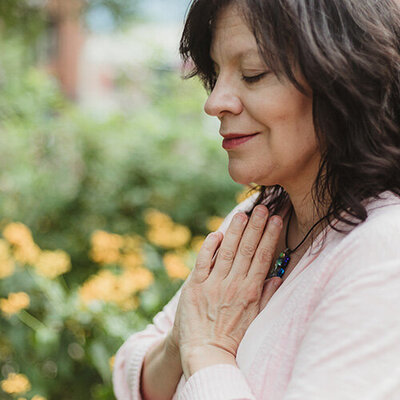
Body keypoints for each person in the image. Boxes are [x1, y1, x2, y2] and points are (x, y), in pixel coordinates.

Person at [113, 0, 400, 398]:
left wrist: (207, 351)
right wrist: (182, 339)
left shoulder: (383, 252)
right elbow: (134, 373)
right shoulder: (261, 216)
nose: (214, 103)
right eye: (216, 73)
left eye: (253, 74)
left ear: (343, 78)